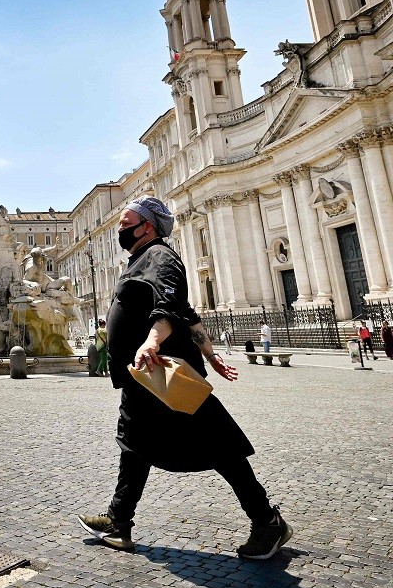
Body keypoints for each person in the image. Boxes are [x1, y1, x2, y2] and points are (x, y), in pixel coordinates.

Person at [78, 197, 292, 559]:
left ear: (147, 226)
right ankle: (119, 520)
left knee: (220, 446)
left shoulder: (161, 258)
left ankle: (267, 521)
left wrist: (151, 340)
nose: (119, 228)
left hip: (165, 375)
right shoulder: (142, 260)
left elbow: (170, 307)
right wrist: (212, 354)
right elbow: (191, 317)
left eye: (125, 221)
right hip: (144, 379)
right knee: (134, 444)